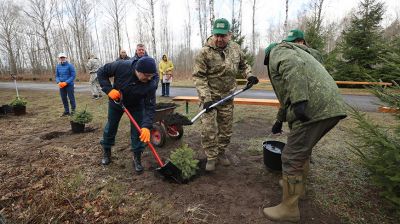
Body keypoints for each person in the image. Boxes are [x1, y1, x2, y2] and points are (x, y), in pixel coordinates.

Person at [262, 41, 347, 222]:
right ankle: (299, 189)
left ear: (267, 56)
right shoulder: (301, 54)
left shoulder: (278, 51)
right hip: (330, 106)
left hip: (313, 108)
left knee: (291, 157)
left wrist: (300, 100)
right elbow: (287, 95)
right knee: (302, 151)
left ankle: (289, 209)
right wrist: (279, 120)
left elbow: (292, 66)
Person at [192, 18, 259, 172]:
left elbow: (244, 65)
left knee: (226, 130)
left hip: (227, 97)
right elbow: (199, 77)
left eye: (223, 35)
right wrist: (206, 99)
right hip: (209, 98)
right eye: (217, 35)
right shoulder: (204, 53)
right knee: (208, 129)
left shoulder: (235, 48)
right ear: (213, 34)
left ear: (230, 34)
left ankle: (221, 152)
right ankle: (211, 156)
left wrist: (249, 75)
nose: (220, 39)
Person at [97, 56, 159, 174]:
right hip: (117, 101)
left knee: (138, 131)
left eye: (151, 75)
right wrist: (108, 89)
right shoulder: (121, 66)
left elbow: (150, 107)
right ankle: (107, 151)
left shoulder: (151, 83)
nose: (150, 78)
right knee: (111, 127)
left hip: (136, 106)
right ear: (138, 70)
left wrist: (146, 126)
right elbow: (101, 72)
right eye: (147, 75)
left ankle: (137, 157)